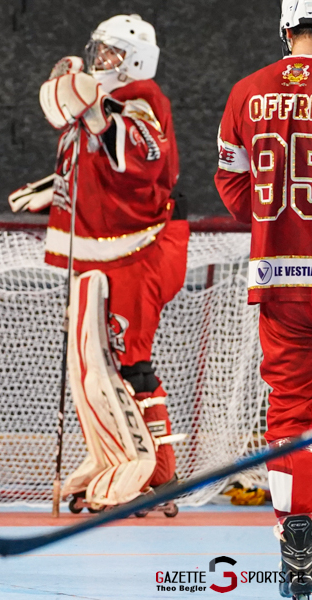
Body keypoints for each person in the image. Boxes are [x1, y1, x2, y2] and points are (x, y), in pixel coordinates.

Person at [9, 15, 189, 510]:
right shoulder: (100, 102)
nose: (102, 60)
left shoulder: (142, 98)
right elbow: (95, 167)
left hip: (139, 248)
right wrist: (55, 189)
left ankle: (156, 472)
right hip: (105, 249)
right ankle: (115, 457)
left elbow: (144, 160)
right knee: (96, 362)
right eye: (100, 50)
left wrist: (96, 115)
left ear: (135, 60)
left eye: (113, 53)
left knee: (129, 362)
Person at [215, 2, 312, 597]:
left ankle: (295, 529)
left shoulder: (247, 91)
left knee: (292, 414)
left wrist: (270, 225)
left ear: (287, 24)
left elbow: (232, 181)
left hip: (282, 279)